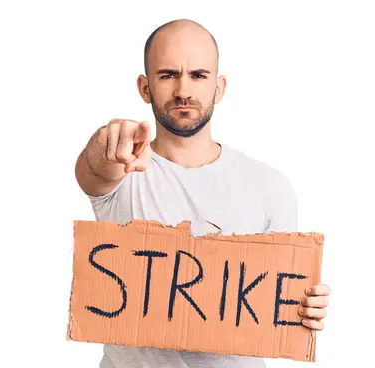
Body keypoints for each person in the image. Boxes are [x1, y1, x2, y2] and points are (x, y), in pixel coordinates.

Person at [74, 18, 331, 368]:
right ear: (145, 88)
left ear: (219, 87)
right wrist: (108, 140)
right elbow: (94, 168)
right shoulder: (123, 171)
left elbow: (281, 302)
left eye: (198, 75)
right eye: (168, 75)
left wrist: (306, 308)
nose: (183, 90)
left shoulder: (268, 186)